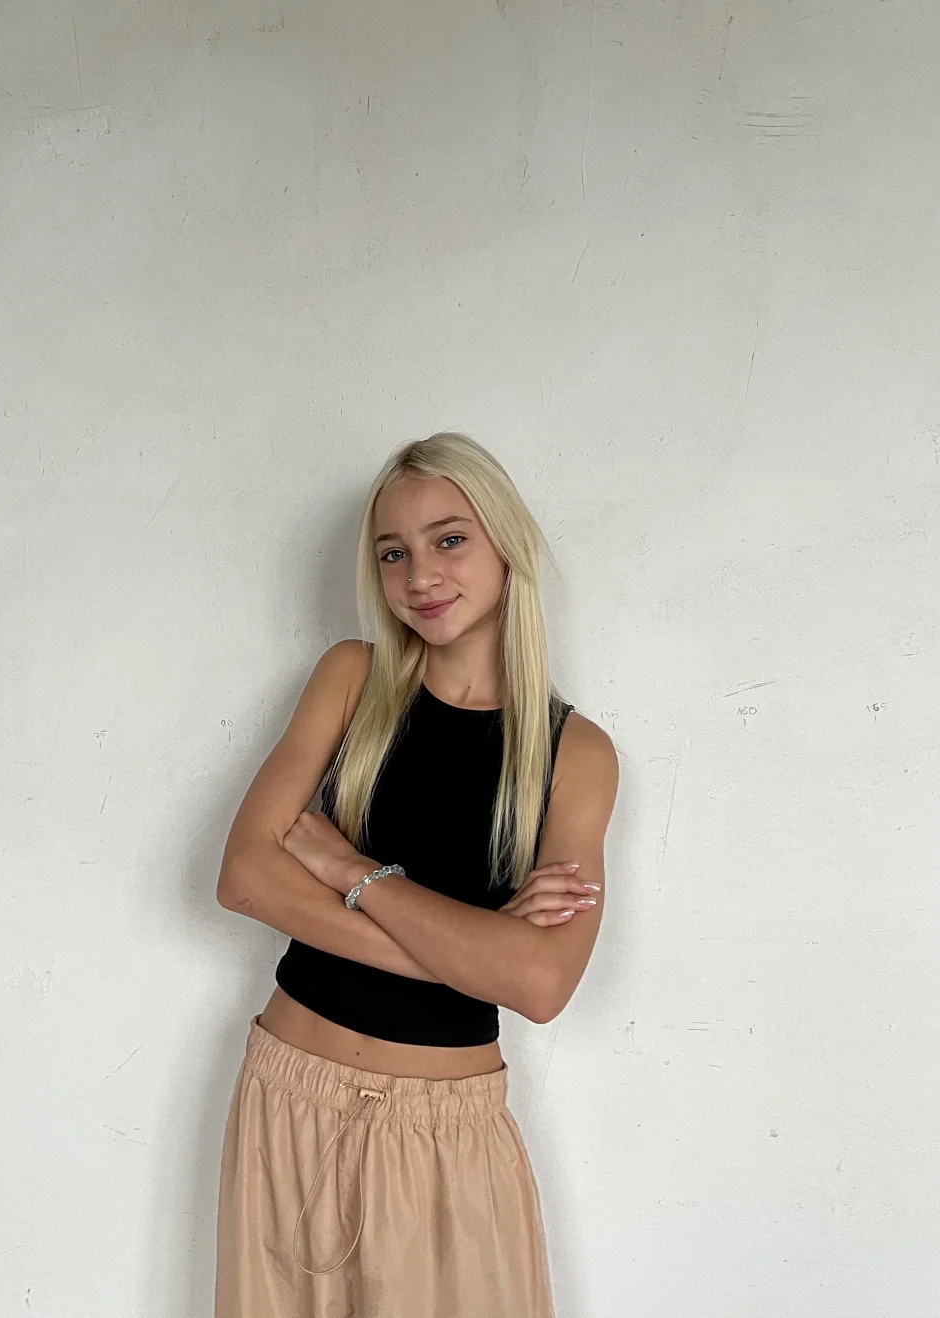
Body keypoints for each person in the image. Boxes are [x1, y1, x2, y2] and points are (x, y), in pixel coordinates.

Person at [213, 431, 619, 1317]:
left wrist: (353, 871)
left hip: (445, 1135)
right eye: (393, 553)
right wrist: (472, 952)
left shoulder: (575, 754)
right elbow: (244, 876)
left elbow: (542, 985)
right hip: (288, 1096)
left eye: (450, 540)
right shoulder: (351, 679)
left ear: (507, 544)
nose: (420, 576)